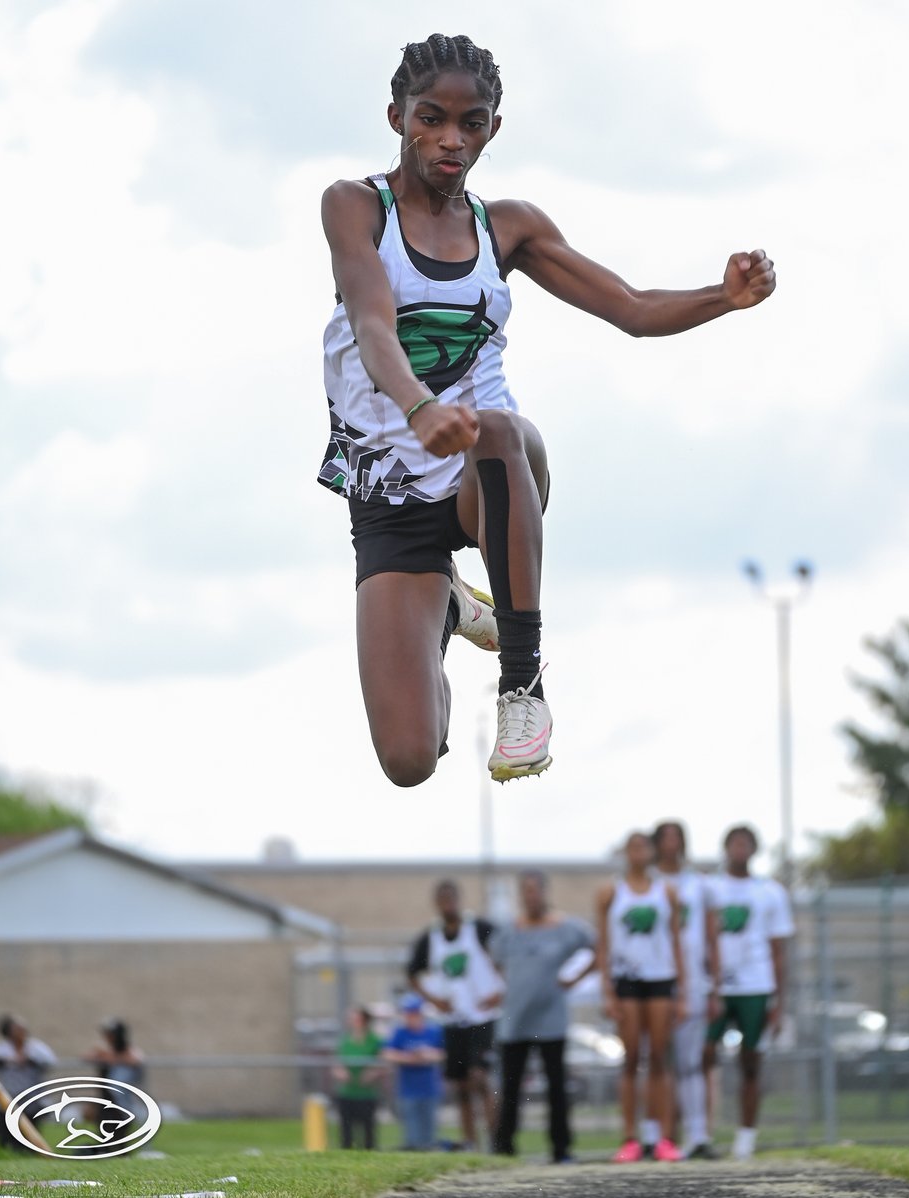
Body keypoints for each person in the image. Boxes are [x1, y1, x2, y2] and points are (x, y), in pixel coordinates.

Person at [319, 33, 777, 787]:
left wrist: (722, 298)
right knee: (407, 759)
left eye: (472, 125)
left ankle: (522, 686)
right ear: (397, 116)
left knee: (498, 428)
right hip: (393, 496)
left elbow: (630, 307)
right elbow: (373, 323)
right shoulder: (354, 206)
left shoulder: (509, 227)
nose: (450, 140)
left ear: (492, 129)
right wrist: (418, 406)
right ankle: (449, 609)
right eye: (431, 119)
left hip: (491, 475)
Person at [489, 870, 595, 1163]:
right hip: (514, 1022)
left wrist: (574, 979)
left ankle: (561, 1149)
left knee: (557, 1087)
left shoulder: (566, 928)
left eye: (535, 890)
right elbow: (494, 960)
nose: (530, 896)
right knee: (510, 1087)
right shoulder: (509, 931)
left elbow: (598, 948)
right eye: (525, 890)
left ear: (545, 892)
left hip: (551, 1022)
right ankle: (504, 1148)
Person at [703, 825, 795, 1160]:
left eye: (746, 843)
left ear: (754, 849)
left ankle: (746, 1137)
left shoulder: (769, 891)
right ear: (725, 848)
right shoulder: (709, 888)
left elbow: (778, 950)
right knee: (703, 1053)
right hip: (716, 986)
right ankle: (700, 1133)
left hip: (755, 985)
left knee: (751, 1061)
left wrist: (779, 1003)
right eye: (734, 843)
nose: (740, 849)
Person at [597, 831, 685, 1163]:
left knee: (660, 1057)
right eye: (632, 846)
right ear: (625, 853)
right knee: (631, 1057)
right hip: (627, 982)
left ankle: (662, 1138)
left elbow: (676, 941)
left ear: (651, 851)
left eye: (643, 845)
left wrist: (683, 991)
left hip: (660, 979)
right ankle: (630, 1138)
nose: (638, 852)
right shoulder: (610, 892)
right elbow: (603, 944)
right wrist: (607, 991)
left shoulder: (667, 891)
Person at [406, 879, 503, 1150]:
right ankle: (470, 1140)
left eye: (452, 899)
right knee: (461, 1085)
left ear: (459, 899)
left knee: (480, 1077)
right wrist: (435, 999)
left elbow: (506, 956)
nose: (448, 905)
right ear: (437, 904)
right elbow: (412, 973)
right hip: (453, 1020)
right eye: (442, 900)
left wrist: (500, 991)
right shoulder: (431, 938)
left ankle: (496, 1139)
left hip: (482, 1017)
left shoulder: (479, 929)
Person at [652, 820, 721, 1160]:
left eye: (676, 837)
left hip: (692, 981)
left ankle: (697, 1135)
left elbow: (711, 936)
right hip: (654, 981)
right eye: (665, 838)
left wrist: (716, 986)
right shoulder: (647, 884)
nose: (671, 844)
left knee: (690, 1062)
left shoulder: (698, 884)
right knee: (655, 1061)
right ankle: (655, 1138)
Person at [0, 1014, 56, 1149]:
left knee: (29, 1134)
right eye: (17, 1028)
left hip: (31, 1098)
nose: (22, 1031)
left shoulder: (36, 1047)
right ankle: (1, 1154)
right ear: (8, 1031)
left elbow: (50, 1061)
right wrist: (8, 1061)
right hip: (6, 1098)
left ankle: (31, 1151)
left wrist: (30, 1060)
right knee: (2, 1135)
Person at [383, 994, 445, 1150]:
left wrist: (428, 1055)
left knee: (429, 1132)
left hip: (429, 1089)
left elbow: (443, 1053)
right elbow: (388, 1053)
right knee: (411, 1133)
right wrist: (409, 1058)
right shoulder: (400, 1032)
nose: (409, 1017)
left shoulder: (433, 1031)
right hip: (408, 1091)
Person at [332, 1007, 385, 1150]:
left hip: (366, 1093)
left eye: (357, 1019)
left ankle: (369, 1154)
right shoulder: (346, 1040)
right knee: (346, 1131)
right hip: (347, 1091)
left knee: (368, 1131)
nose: (353, 1022)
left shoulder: (374, 1040)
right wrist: (340, 1072)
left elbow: (382, 1062)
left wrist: (372, 1073)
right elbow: (337, 1063)